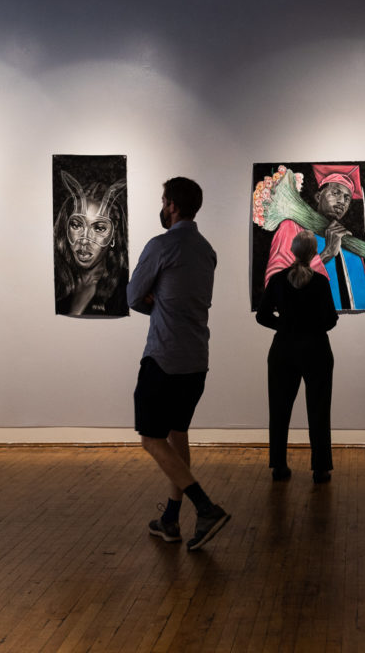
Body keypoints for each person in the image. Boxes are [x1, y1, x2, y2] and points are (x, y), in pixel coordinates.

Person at [127, 177, 229, 551]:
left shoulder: (162, 245)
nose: (162, 206)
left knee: (152, 439)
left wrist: (154, 301)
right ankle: (170, 519)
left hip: (164, 357)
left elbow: (132, 294)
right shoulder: (207, 250)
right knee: (177, 434)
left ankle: (205, 507)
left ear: (171, 205)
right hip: (196, 360)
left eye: (163, 200)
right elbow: (187, 298)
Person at [257, 230, 339, 484]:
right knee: (319, 409)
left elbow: (262, 316)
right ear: (314, 252)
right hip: (316, 350)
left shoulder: (278, 280)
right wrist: (311, 327)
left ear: (292, 251)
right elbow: (331, 320)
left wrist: (285, 326)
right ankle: (321, 469)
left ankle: (279, 466)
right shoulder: (321, 282)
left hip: (283, 350)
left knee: (279, 410)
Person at [265, 164, 365, 311]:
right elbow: (274, 286)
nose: (342, 201)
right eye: (335, 193)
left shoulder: (352, 245)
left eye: (347, 198)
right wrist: (326, 254)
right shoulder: (293, 227)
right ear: (318, 196)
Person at [54, 171, 129, 316]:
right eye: (76, 225)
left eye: (99, 228)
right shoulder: (56, 281)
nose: (84, 239)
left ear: (113, 236)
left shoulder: (125, 288)